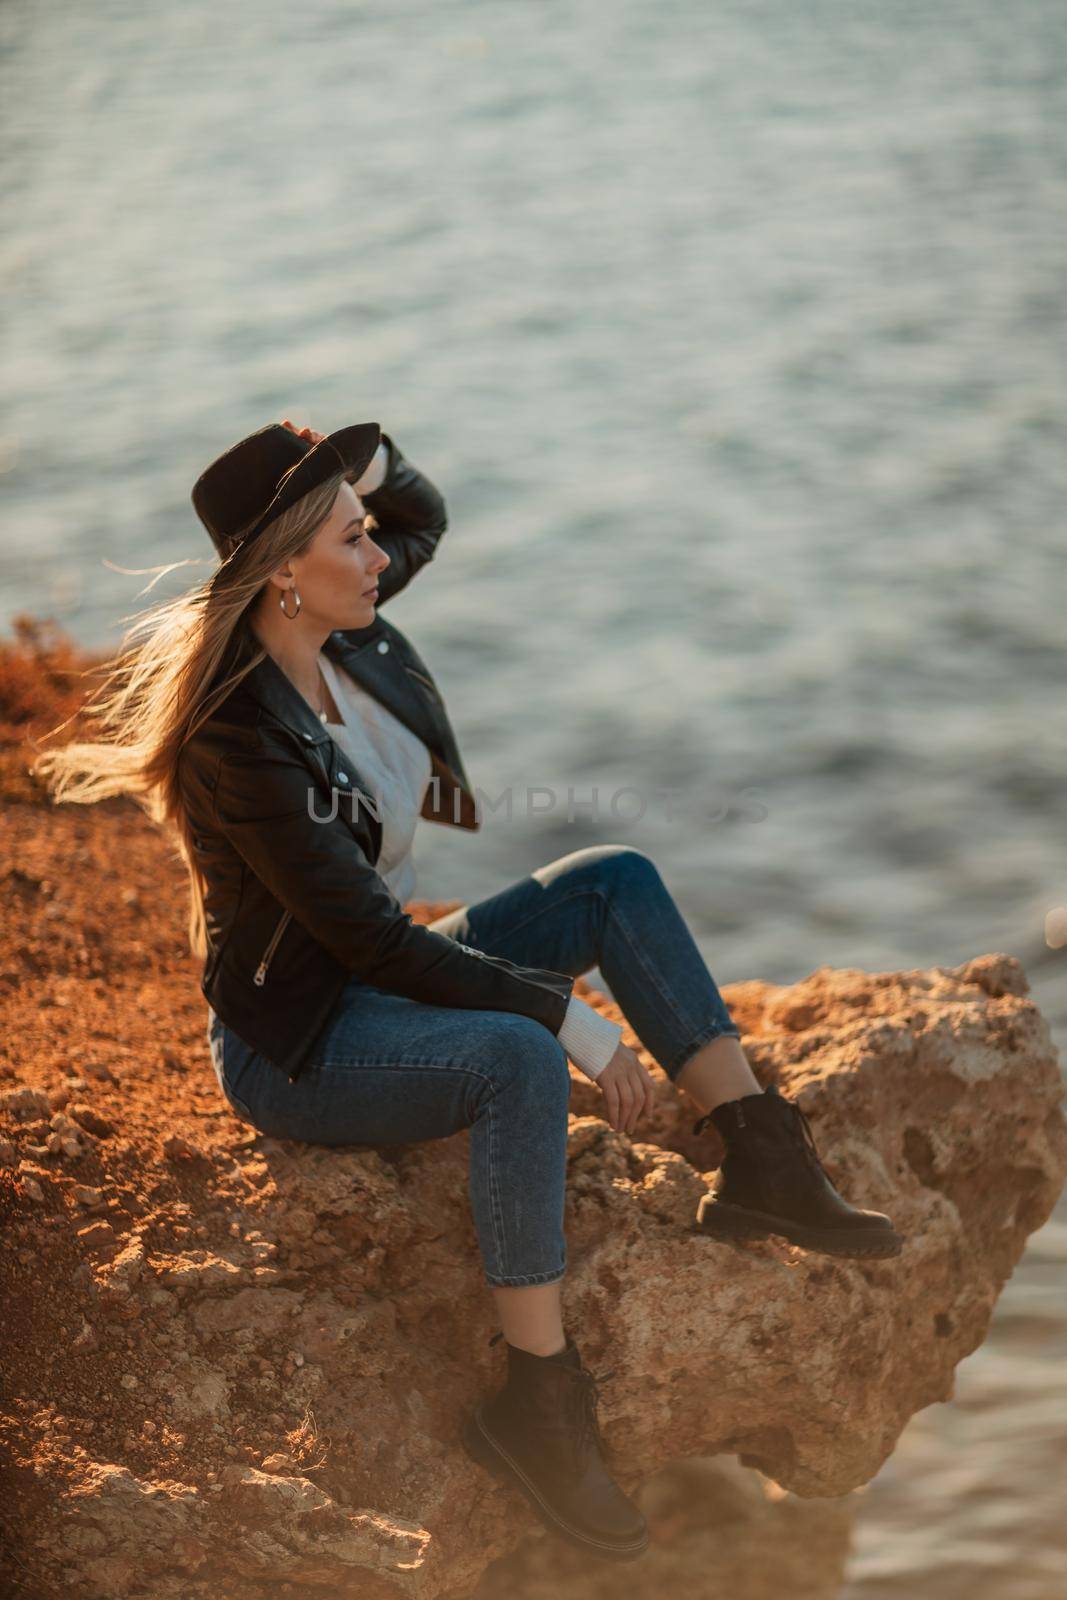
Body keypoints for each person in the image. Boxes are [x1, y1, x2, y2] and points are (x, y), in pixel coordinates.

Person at [32, 416, 902, 1564]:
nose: (380, 554)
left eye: (365, 530)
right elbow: (371, 941)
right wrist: (570, 1019)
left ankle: (762, 1158)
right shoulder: (233, 742)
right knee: (516, 1058)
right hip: (304, 1042)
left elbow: (420, 512)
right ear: (286, 569)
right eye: (352, 536)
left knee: (611, 882)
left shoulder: (344, 634)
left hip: (381, 973)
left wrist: (352, 452)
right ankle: (536, 1403)